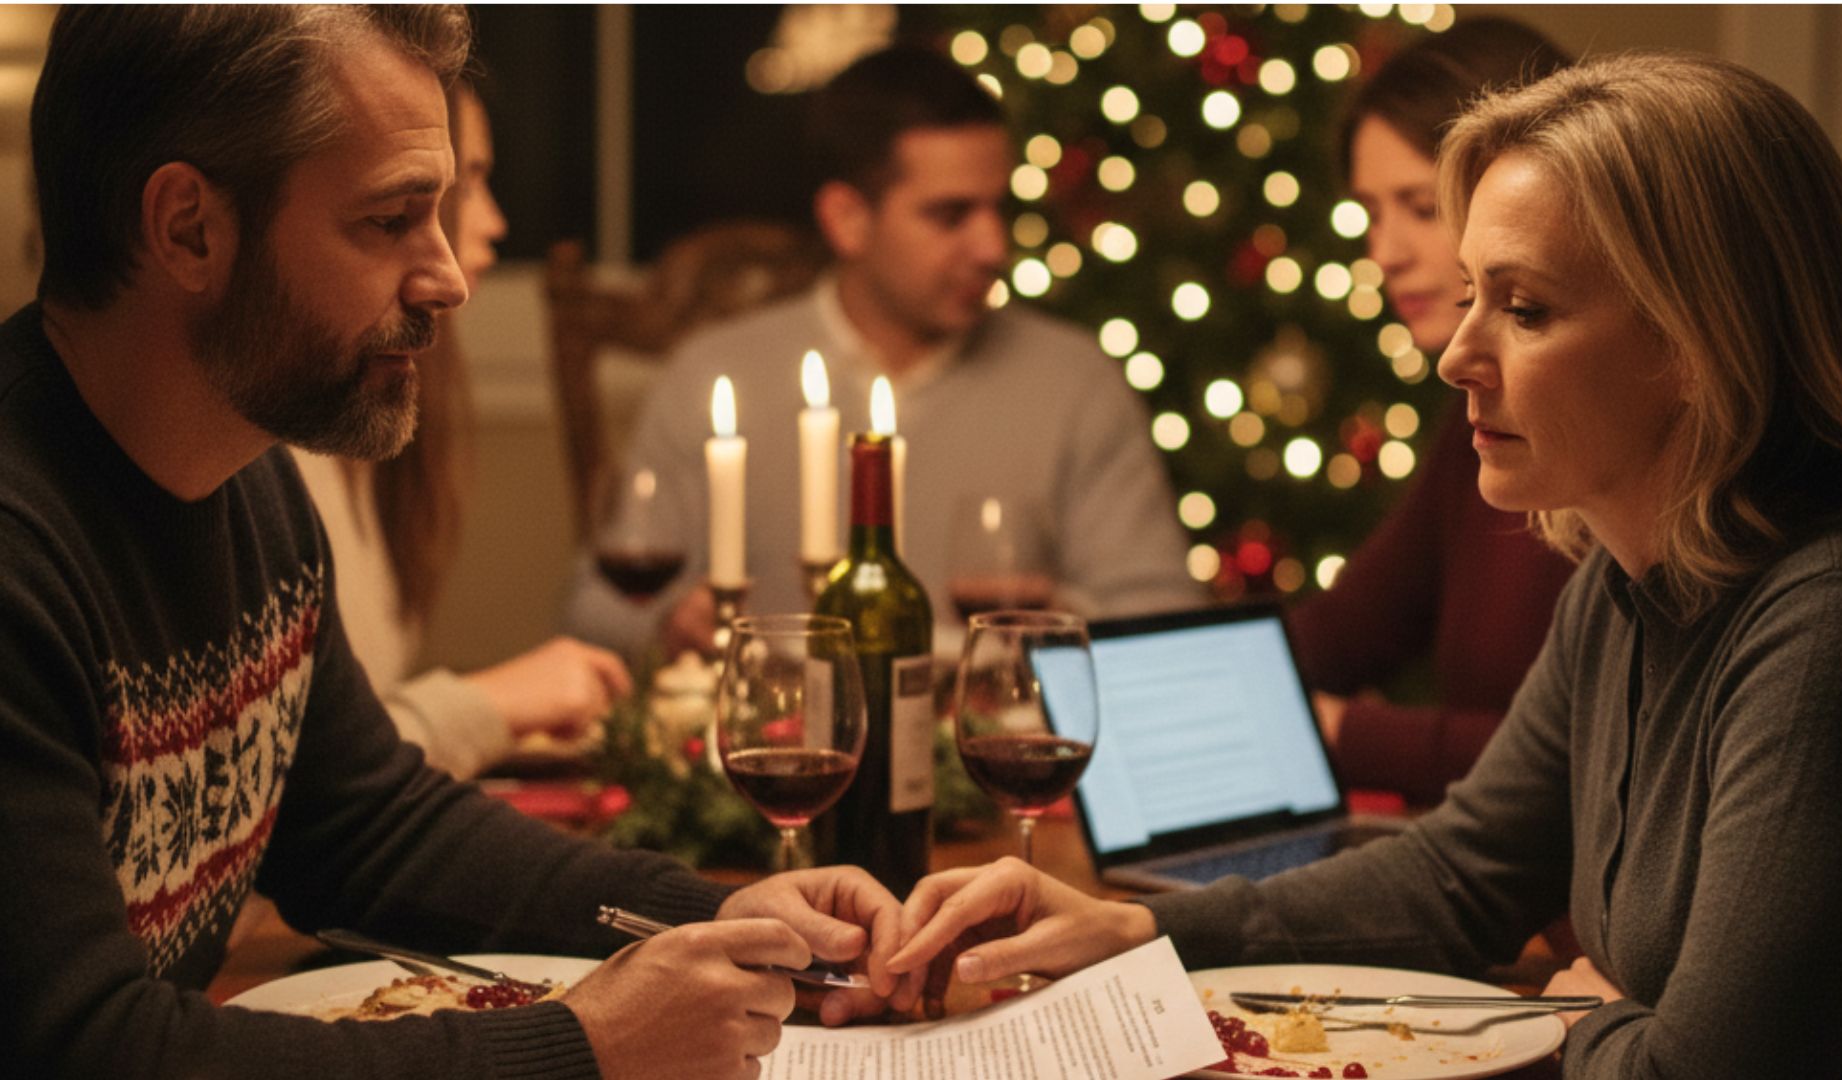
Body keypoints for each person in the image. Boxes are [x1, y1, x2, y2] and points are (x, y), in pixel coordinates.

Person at [887, 53, 1842, 1078]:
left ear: (1698, 342)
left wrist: (1574, 1026)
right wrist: (1136, 933)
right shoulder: (1624, 582)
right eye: (1472, 294)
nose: (1454, 355)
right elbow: (1460, 872)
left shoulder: (1834, 623)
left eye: (1524, 309)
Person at [0, 8, 921, 1078]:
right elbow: (82, 1046)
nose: (450, 277)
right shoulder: (24, 553)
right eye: (391, 220)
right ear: (189, 228)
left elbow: (368, 828)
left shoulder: (245, 477)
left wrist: (718, 918)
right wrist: (582, 1050)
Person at [562, 44, 1198, 661]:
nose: (992, 247)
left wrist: (1057, 613)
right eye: (951, 215)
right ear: (848, 220)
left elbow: (1165, 613)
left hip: (990, 747)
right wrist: (670, 623)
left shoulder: (1072, 380)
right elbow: (595, 606)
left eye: (997, 209)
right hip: (786, 747)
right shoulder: (718, 375)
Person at [293, 78, 629, 780]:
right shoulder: (275, 456)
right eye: (469, 184)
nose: (495, 223)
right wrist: (489, 704)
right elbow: (297, 785)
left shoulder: (379, 428)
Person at [1286, 18, 1576, 805]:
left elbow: (1580, 759)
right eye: (1371, 213)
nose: (1383, 251)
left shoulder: (1603, 433)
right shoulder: (1480, 418)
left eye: (1419, 206)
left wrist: (1340, 731)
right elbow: (1344, 630)